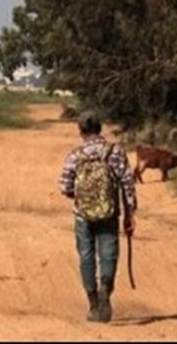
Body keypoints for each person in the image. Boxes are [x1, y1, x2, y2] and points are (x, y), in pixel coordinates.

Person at [59, 110, 137, 323]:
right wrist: (130, 213)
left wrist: (80, 196)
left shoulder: (76, 155)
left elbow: (64, 186)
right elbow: (127, 183)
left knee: (86, 256)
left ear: (81, 131)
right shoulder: (115, 152)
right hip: (109, 213)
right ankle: (105, 291)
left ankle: (93, 302)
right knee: (108, 254)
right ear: (100, 128)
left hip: (83, 214)